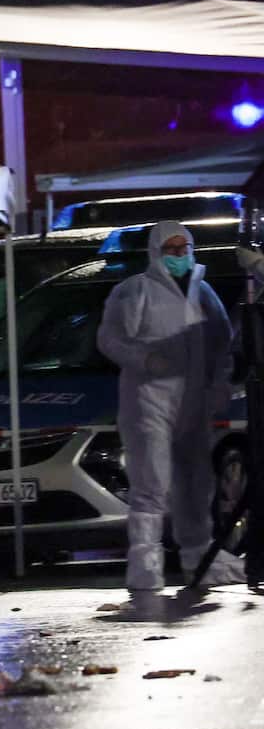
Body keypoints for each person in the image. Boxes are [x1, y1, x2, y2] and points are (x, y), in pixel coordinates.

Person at [97, 220, 242, 590]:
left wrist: (219, 385)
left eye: (184, 249)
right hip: (149, 402)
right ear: (155, 252)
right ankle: (145, 562)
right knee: (153, 482)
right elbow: (110, 340)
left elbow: (221, 344)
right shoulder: (134, 291)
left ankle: (198, 555)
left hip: (194, 404)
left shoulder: (203, 293)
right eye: (171, 250)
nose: (179, 256)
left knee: (196, 483)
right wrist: (145, 361)